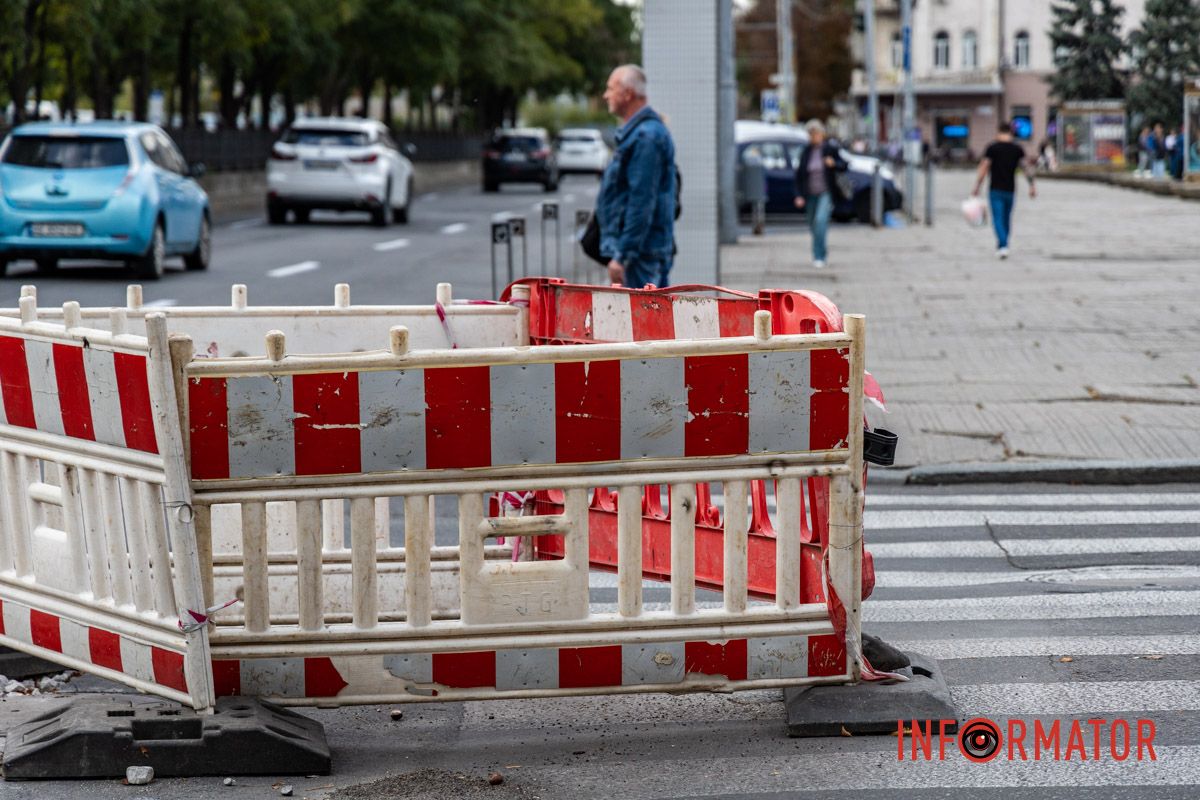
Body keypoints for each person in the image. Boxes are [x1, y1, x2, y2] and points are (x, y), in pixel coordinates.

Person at [596, 64, 677, 289]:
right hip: (642, 252)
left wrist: (622, 255)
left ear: (628, 93)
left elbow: (641, 201)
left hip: (640, 256)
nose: (606, 95)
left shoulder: (646, 137)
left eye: (610, 89)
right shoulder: (640, 134)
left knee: (643, 322)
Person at [971, 121, 1036, 259]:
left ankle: (1003, 244)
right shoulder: (1017, 149)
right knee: (1006, 218)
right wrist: (1032, 186)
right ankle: (1004, 244)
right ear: (1011, 133)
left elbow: (984, 167)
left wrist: (977, 186)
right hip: (1011, 190)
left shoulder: (992, 148)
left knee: (997, 218)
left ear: (998, 131)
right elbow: (1025, 168)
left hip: (995, 189)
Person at [792, 119, 847, 269]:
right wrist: (798, 195)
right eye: (811, 134)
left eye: (816, 133)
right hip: (809, 193)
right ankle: (820, 250)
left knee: (820, 221)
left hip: (826, 191)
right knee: (812, 224)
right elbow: (799, 175)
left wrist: (833, 163)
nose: (813, 137)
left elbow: (844, 165)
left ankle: (819, 255)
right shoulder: (806, 151)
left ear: (822, 134)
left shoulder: (830, 149)